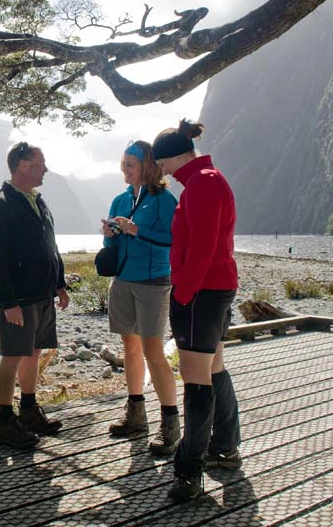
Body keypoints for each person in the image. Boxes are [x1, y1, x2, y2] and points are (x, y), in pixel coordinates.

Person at [152, 119, 241, 502]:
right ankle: (225, 447)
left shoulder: (202, 183)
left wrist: (184, 293)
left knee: (196, 383)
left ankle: (189, 471)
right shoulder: (208, 177)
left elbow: (202, 246)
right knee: (213, 368)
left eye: (162, 163)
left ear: (175, 156)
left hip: (201, 294)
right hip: (216, 289)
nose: (163, 171)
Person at [0, 142, 70, 449]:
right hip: (18, 299)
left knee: (33, 352)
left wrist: (58, 283)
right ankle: (5, 423)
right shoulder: (0, 205)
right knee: (13, 355)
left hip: (42, 294)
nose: (45, 168)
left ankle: (29, 411)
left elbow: (51, 246)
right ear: (22, 165)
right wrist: (8, 302)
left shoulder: (38, 202)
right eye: (41, 162)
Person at [101, 141, 179, 456]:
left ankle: (170, 424)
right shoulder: (120, 199)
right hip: (123, 281)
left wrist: (136, 232)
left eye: (130, 165)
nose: (124, 170)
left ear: (146, 166)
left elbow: (173, 240)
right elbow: (115, 244)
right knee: (130, 348)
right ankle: (136, 414)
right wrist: (109, 236)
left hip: (154, 282)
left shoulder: (164, 200)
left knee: (153, 350)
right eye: (123, 164)